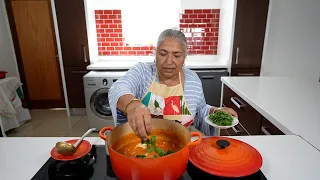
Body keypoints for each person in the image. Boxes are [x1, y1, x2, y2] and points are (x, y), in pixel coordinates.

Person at [109, 29, 238, 140]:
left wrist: (215, 112)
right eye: (163, 54)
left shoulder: (193, 80)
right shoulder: (143, 72)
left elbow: (199, 112)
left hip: (179, 147)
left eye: (177, 55)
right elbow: (118, 88)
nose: (169, 61)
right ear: (155, 54)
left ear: (184, 58)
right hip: (139, 145)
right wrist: (133, 105)